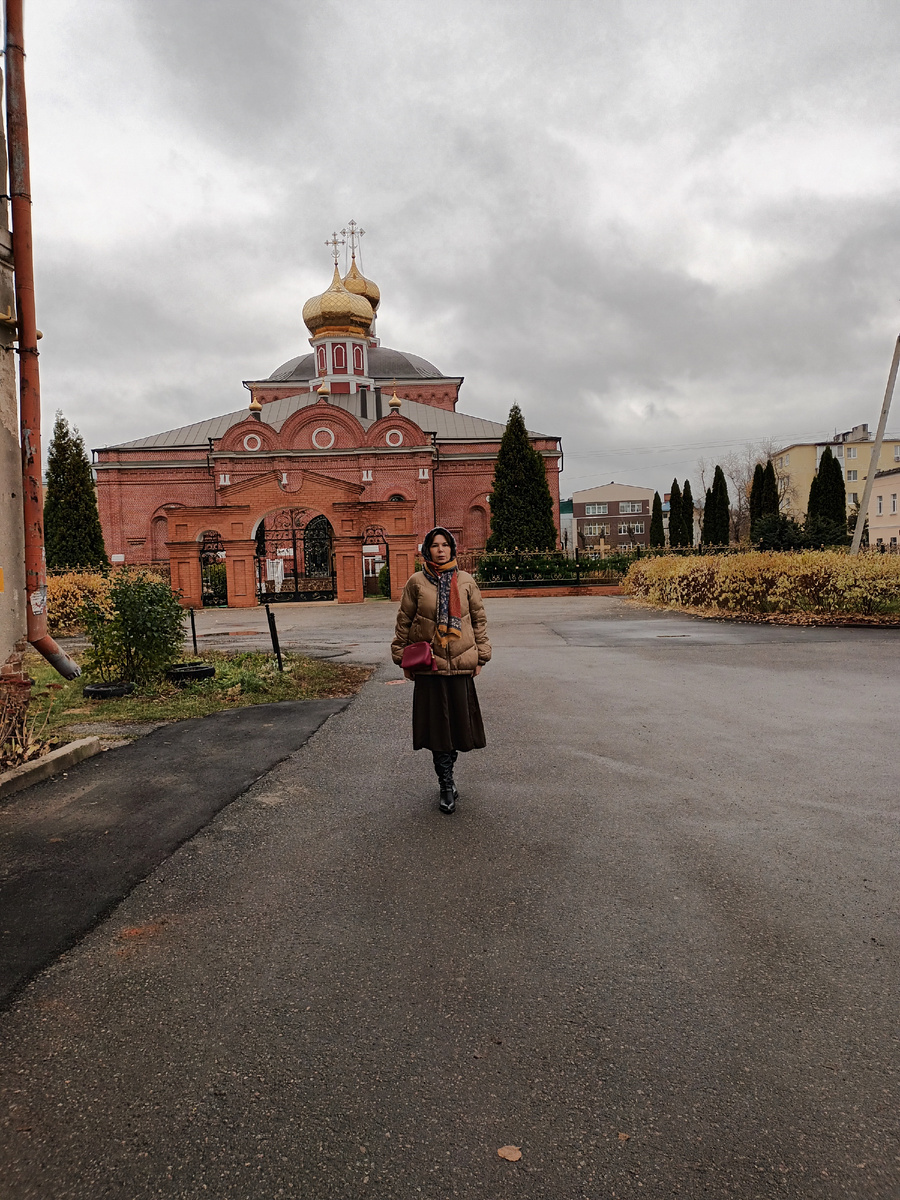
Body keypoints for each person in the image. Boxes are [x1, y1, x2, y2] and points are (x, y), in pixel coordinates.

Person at [391, 527, 491, 814]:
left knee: (457, 728)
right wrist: (401, 657)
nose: (440, 550)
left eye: (445, 545)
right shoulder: (416, 582)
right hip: (430, 666)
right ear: (427, 550)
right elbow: (404, 621)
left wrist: (481, 657)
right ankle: (445, 784)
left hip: (460, 665)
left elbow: (479, 622)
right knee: (437, 731)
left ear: (452, 549)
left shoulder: (467, 581)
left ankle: (449, 775)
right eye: (434, 545)